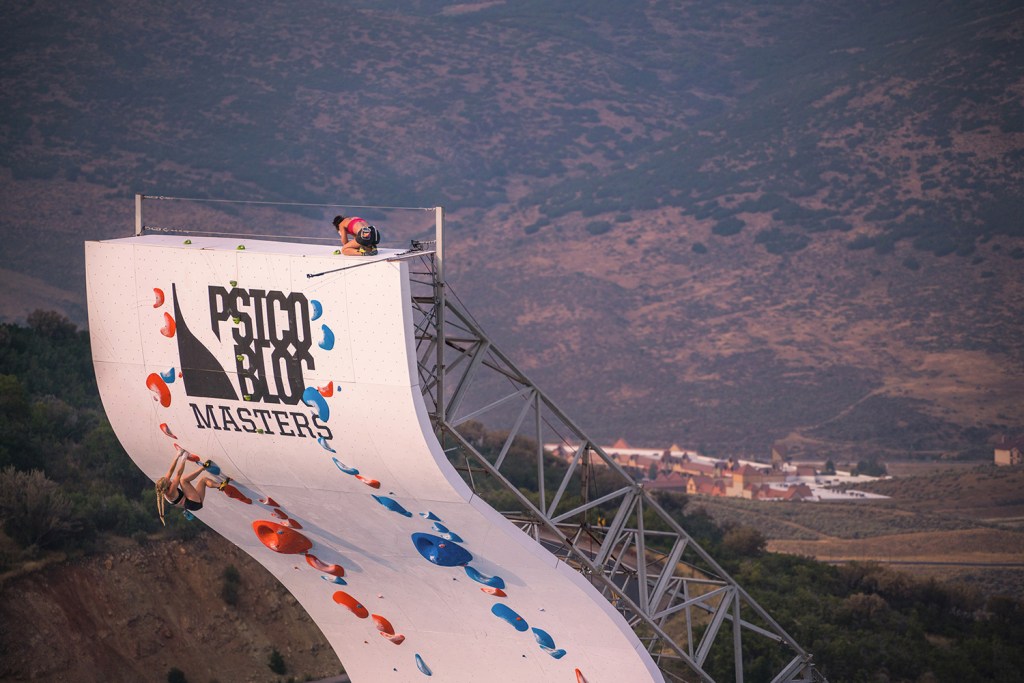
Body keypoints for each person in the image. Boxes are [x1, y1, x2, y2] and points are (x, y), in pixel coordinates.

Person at [155, 448, 228, 525]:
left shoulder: (164, 488)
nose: (169, 480)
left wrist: (177, 456)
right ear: (166, 486)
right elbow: (178, 474)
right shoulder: (171, 492)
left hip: (195, 504)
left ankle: (220, 485)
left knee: (203, 480)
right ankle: (203, 468)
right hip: (192, 503)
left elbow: (170, 471)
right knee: (183, 480)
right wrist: (184, 458)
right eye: (168, 481)